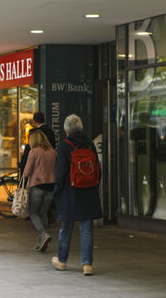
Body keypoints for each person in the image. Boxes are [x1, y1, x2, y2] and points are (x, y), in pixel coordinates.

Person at [52, 114, 102, 276]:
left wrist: (56, 192)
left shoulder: (63, 146)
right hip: (88, 193)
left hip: (69, 193)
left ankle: (62, 261)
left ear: (66, 131)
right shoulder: (90, 145)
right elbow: (98, 171)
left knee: (66, 228)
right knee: (86, 229)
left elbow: (60, 174)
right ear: (81, 128)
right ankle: (87, 265)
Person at [23, 130, 57, 252]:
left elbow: (27, 171)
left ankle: (43, 234)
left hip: (37, 185)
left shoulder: (34, 151)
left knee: (33, 213)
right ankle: (40, 242)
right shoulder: (52, 151)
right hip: (50, 186)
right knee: (43, 213)